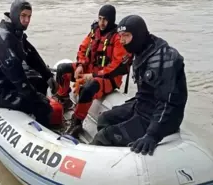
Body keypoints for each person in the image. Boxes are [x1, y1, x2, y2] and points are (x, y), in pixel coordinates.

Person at [91, 15, 188, 156]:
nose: (122, 40)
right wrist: (96, 75)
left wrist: (152, 135)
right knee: (105, 119)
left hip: (155, 116)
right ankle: (114, 156)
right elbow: (120, 69)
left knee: (103, 136)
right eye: (120, 36)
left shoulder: (163, 59)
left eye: (126, 36)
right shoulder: (140, 50)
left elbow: (168, 103)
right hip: (142, 105)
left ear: (138, 35)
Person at [54, 5, 132, 138]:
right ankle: (64, 99)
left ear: (111, 20)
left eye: (105, 20)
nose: (102, 23)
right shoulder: (94, 31)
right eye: (100, 18)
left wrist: (94, 76)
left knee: (88, 88)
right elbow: (83, 48)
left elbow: (116, 66)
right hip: (89, 70)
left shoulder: (117, 38)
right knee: (63, 70)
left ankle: (77, 122)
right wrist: (80, 65)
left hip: (108, 78)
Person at [0, 0, 58, 128]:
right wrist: (38, 98)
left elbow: (31, 54)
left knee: (41, 83)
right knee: (42, 105)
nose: (27, 20)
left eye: (29, 16)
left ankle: (31, 114)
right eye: (23, 16)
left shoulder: (15, 32)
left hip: (9, 83)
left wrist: (47, 75)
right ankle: (44, 132)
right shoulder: (4, 39)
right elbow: (17, 77)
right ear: (14, 14)